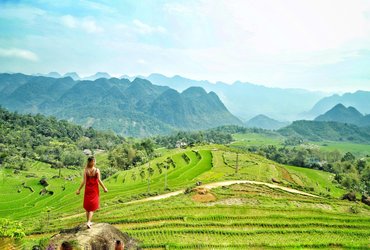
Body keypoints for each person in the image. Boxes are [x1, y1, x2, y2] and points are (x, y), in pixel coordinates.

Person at [76, 156, 108, 228]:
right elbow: (99, 180)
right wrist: (104, 188)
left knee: (88, 207)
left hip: (87, 190)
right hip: (94, 190)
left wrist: (79, 190)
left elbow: (84, 182)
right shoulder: (97, 170)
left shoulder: (85, 170)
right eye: (94, 161)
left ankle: (88, 222)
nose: (95, 162)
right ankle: (89, 222)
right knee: (92, 207)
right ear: (92, 162)